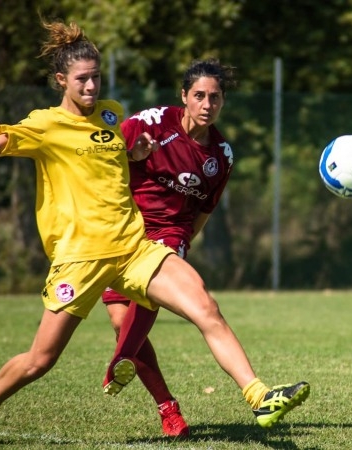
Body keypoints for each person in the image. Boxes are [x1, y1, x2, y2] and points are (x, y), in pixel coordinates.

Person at [0, 19, 309, 444]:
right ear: (61, 80)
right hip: (79, 259)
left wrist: (133, 152)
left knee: (206, 309)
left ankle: (259, 395)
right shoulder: (45, 125)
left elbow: (112, 160)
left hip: (132, 247)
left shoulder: (112, 114)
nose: (90, 86)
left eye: (96, 77)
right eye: (82, 79)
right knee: (39, 361)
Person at [100, 58, 235, 438]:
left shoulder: (221, 155)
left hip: (170, 235)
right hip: (123, 232)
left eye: (215, 97)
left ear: (223, 101)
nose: (207, 104)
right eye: (199, 96)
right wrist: (131, 155)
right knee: (117, 321)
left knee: (148, 299)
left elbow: (205, 210)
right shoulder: (150, 124)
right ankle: (167, 405)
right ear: (184, 96)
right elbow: (103, 158)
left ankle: (124, 363)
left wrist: (180, 245)